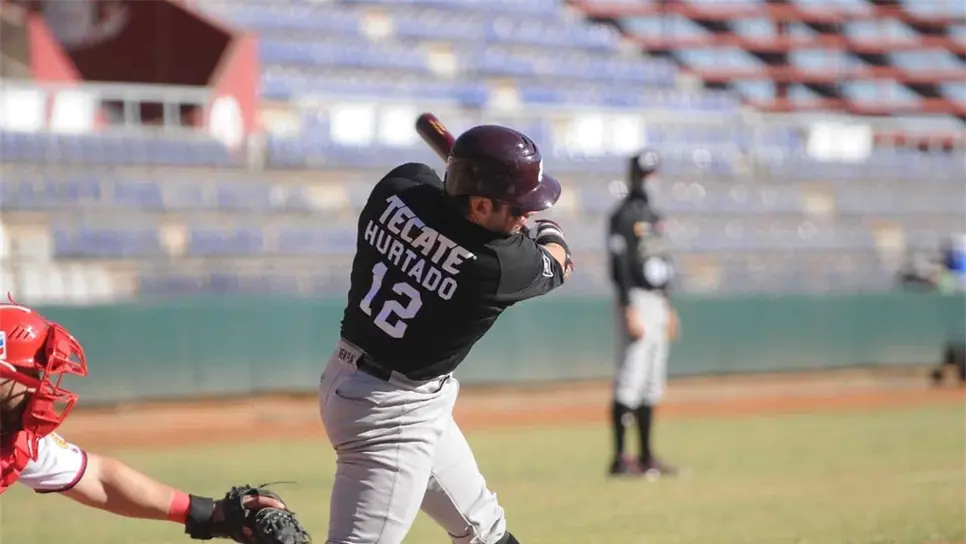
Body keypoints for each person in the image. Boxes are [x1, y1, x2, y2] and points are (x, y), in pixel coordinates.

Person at [318, 124, 573, 544]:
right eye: (517, 207)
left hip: (364, 382)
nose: (526, 213)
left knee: (484, 530)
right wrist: (550, 229)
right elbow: (556, 262)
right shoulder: (499, 265)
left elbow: (432, 197)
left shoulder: (398, 186)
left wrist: (490, 206)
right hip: (391, 411)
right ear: (478, 203)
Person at [0, 302, 310, 544]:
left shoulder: (18, 440)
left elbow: (99, 478)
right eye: (33, 376)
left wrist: (210, 513)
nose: (42, 388)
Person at [605, 149, 683, 478]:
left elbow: (661, 262)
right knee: (631, 378)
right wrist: (628, 309)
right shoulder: (623, 214)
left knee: (652, 381)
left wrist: (667, 306)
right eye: (644, 174)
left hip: (656, 301)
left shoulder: (654, 213)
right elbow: (619, 266)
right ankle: (621, 459)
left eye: (652, 173)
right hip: (635, 299)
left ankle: (647, 456)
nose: (649, 180)